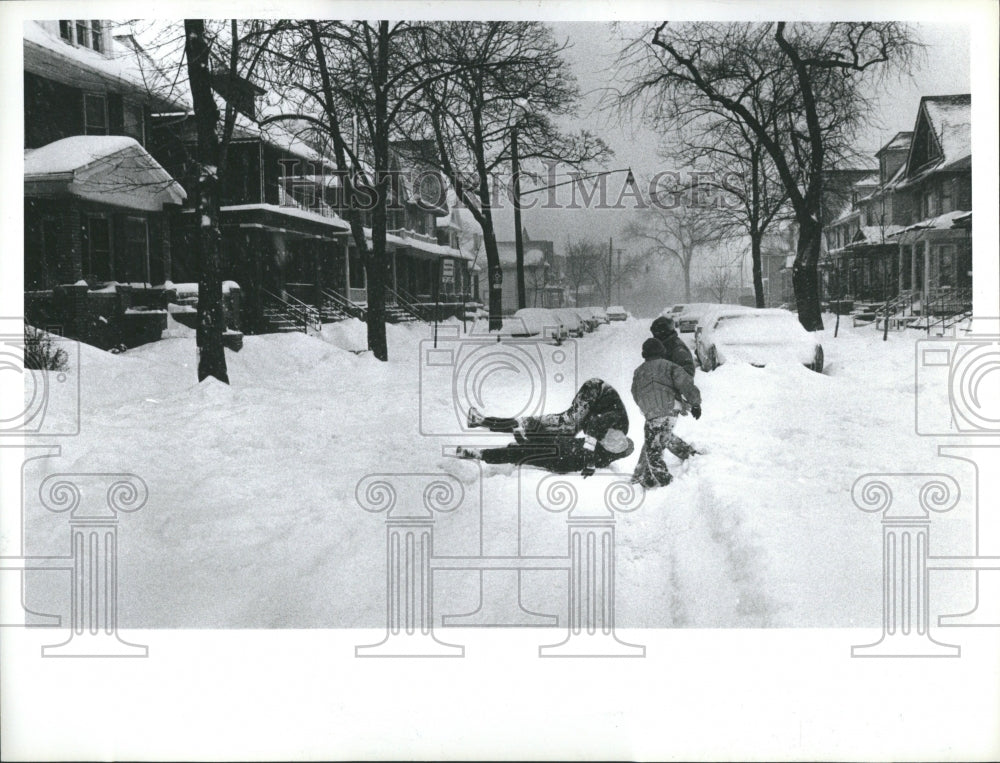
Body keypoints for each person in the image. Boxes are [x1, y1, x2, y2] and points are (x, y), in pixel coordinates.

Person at [458, 378, 634, 476]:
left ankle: (487, 424)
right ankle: (518, 433)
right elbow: (595, 426)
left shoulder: (606, 446)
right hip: (596, 391)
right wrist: (588, 458)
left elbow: (592, 431)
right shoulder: (617, 424)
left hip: (594, 398)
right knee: (565, 429)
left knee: (553, 431)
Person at [631, 338, 703, 488]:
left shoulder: (639, 371)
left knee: (653, 447)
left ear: (644, 354)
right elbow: (686, 384)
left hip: (652, 413)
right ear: (662, 351)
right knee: (663, 436)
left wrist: (646, 407)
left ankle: (662, 479)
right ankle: (687, 454)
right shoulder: (670, 366)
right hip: (671, 410)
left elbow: (635, 393)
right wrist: (695, 403)